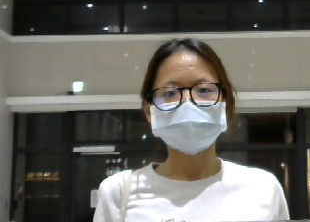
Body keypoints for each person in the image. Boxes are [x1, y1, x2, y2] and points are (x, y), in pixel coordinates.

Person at [93, 38, 290, 222]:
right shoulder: (119, 192)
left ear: (226, 104)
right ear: (149, 111)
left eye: (204, 90)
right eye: (169, 93)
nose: (187, 103)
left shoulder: (263, 188)